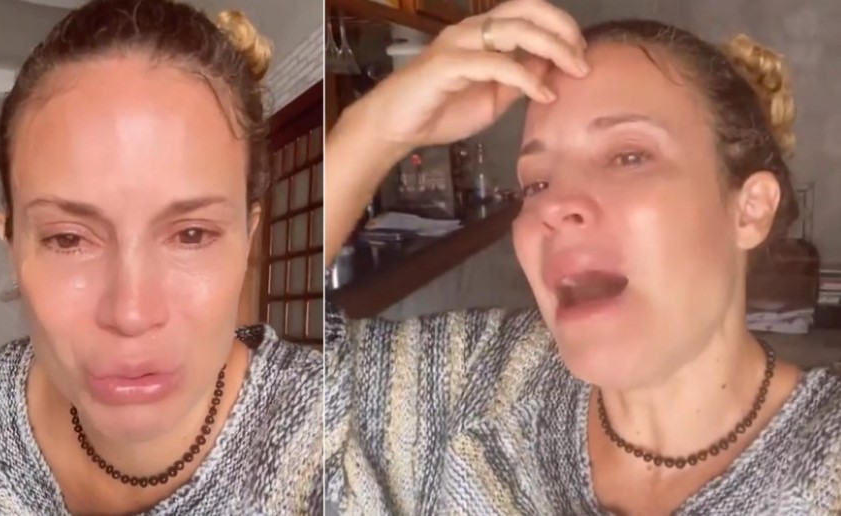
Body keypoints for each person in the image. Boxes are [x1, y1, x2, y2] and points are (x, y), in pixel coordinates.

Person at [324, 0, 841, 514]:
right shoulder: (475, 379)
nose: (553, 206)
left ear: (750, 211)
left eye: (628, 156)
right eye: (537, 183)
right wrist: (370, 132)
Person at [0, 1, 322, 514]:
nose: (131, 313)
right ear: (12, 247)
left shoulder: (332, 442)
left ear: (248, 239)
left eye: (191, 234)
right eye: (68, 239)